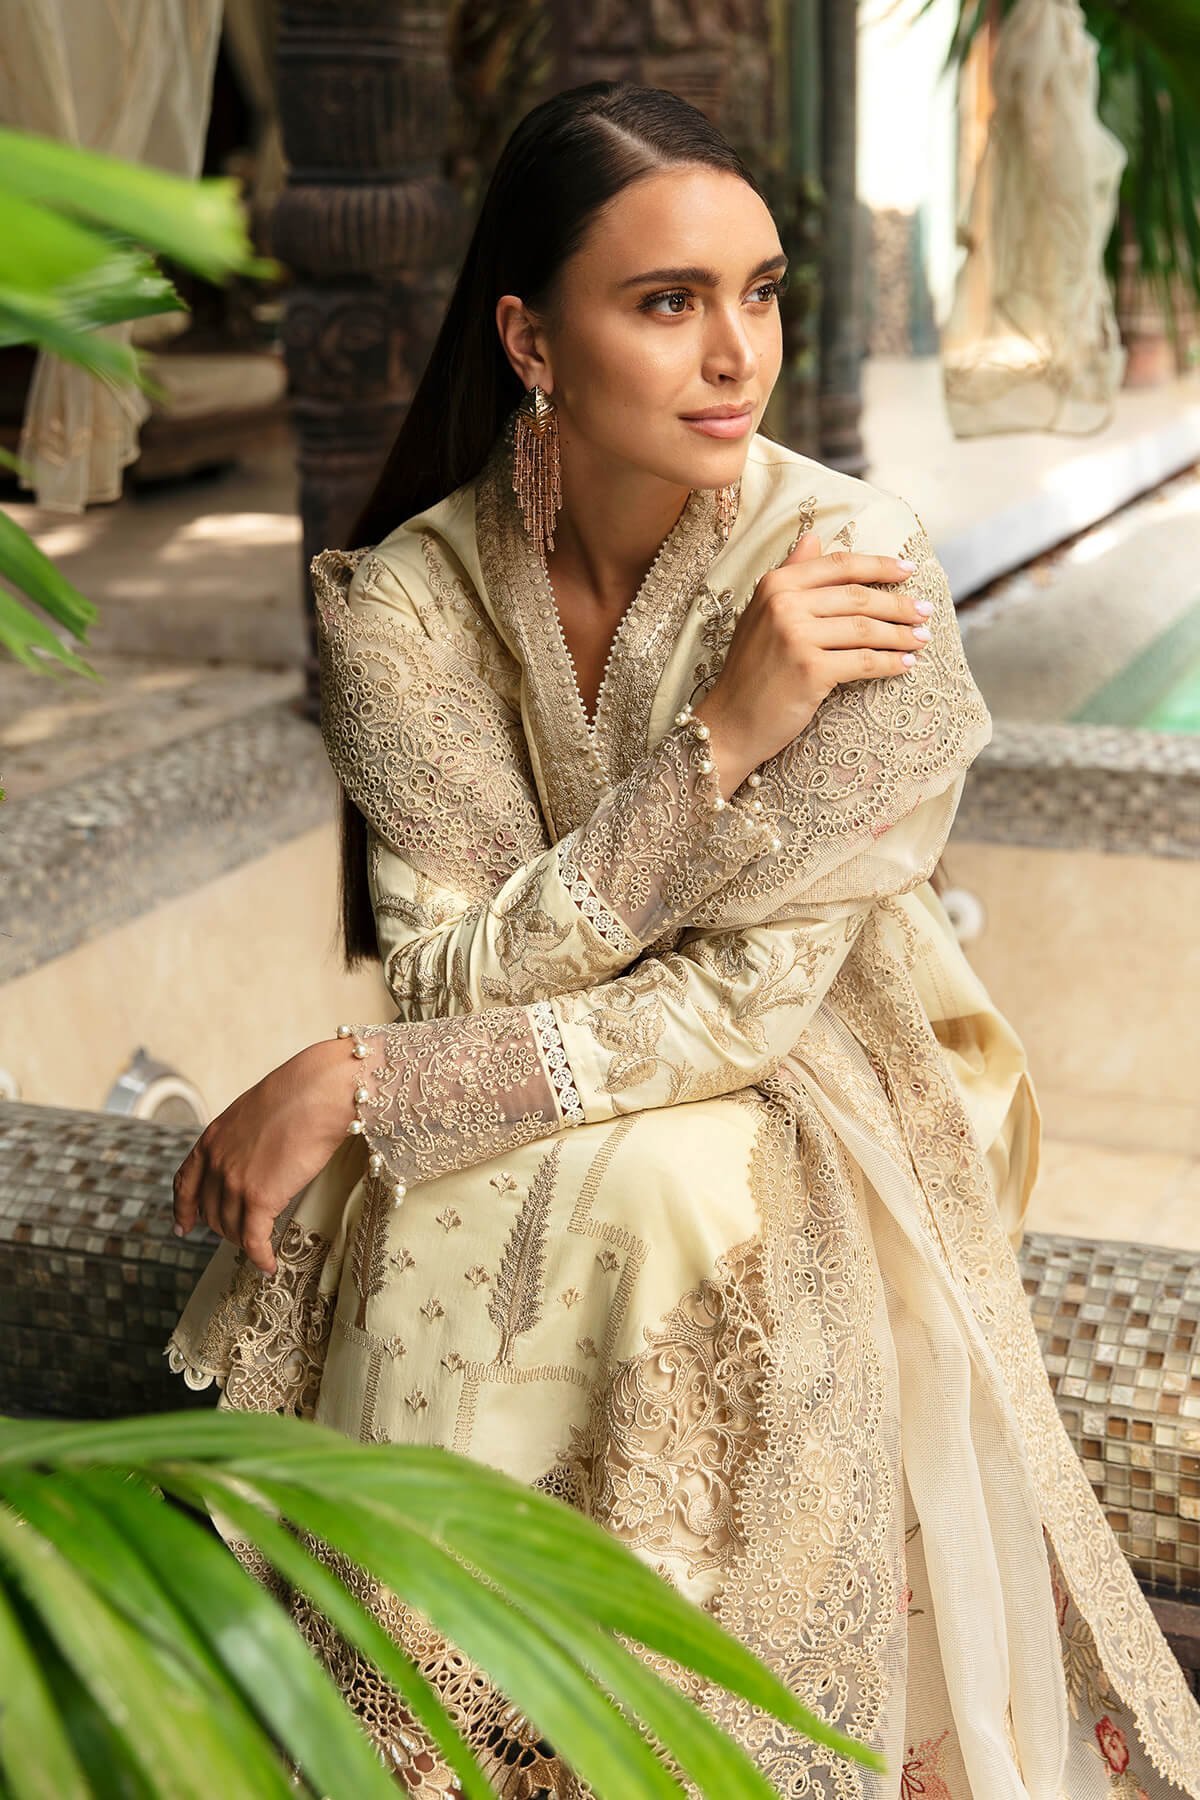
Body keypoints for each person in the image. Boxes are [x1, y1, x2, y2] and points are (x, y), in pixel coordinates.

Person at [164, 80, 1200, 1800]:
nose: (737, 355)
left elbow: (737, 1008)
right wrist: (718, 744)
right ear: (529, 339)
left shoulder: (855, 568)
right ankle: (447, 1736)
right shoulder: (407, 600)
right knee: (442, 1182)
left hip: (837, 1053)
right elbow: (444, 977)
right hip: (584, 1046)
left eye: (762, 294)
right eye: (668, 302)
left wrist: (364, 1080)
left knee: (633, 1190)